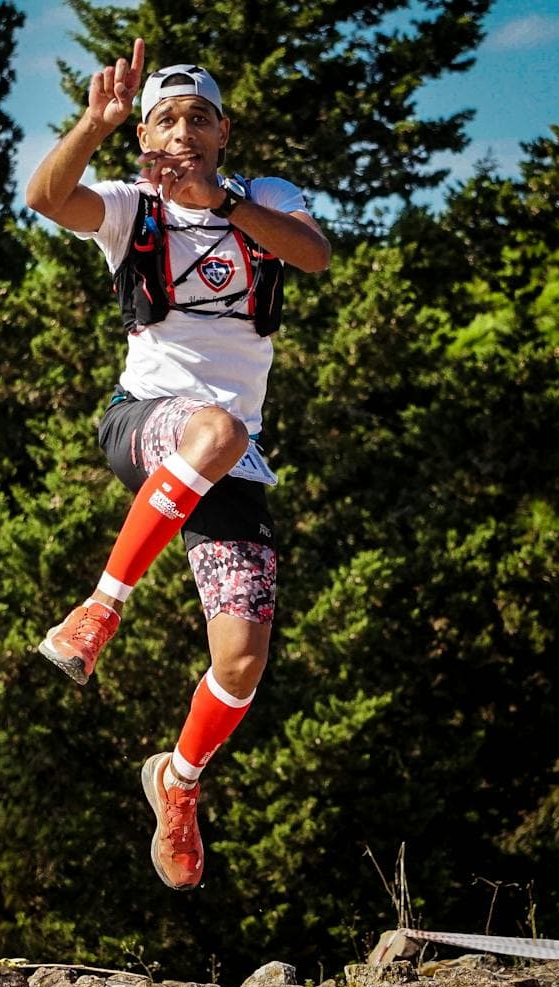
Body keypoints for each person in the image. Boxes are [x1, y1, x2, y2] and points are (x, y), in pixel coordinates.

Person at [23, 39, 331, 890]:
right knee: (217, 432)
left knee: (242, 657)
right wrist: (96, 121)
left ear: (225, 131)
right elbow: (46, 197)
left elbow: (313, 254)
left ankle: (179, 782)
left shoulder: (261, 198)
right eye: (165, 119)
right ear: (144, 139)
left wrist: (223, 201)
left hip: (229, 455)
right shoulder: (131, 208)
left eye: (200, 117)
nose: (183, 131)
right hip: (143, 424)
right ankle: (97, 611)